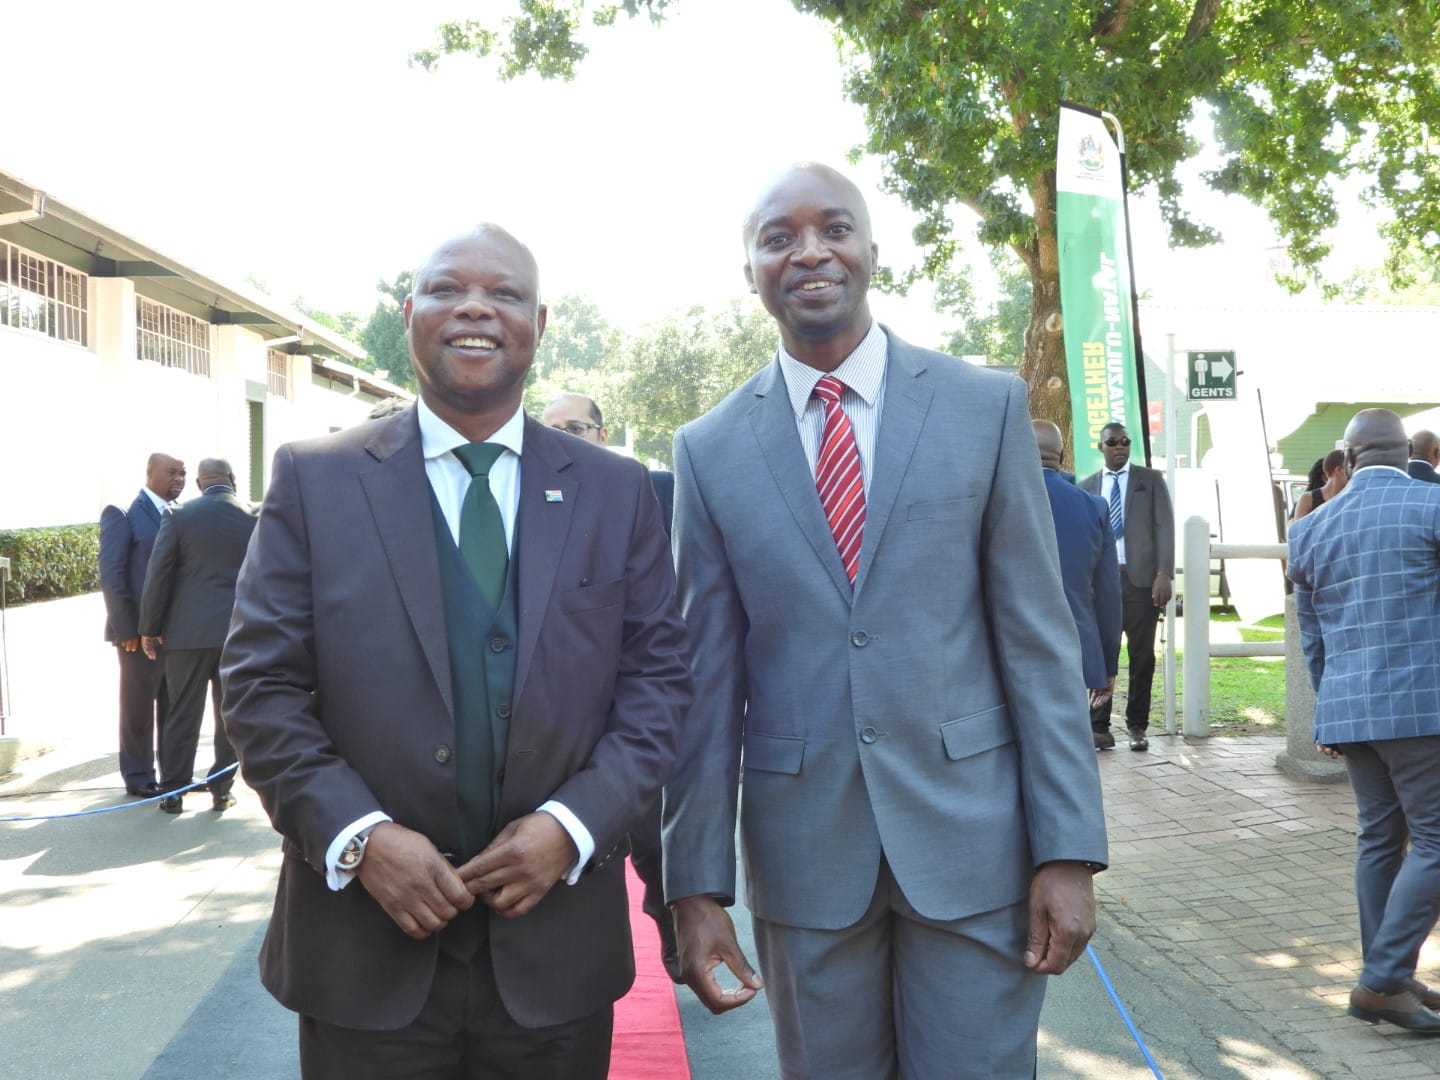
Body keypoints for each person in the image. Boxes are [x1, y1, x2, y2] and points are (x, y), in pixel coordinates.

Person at [662, 163, 1107, 1078]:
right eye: (778, 238)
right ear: (750, 272)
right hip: (805, 861)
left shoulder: (983, 407)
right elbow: (704, 683)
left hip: (975, 847)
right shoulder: (708, 451)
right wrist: (695, 886)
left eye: (834, 228)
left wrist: (1070, 849)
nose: (809, 252)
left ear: (872, 249)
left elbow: (1038, 643)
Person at [222, 224, 690, 1079]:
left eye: (505, 293)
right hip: (365, 959)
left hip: (556, 957)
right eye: (447, 289)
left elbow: (658, 684)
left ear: (539, 325)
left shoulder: (615, 490)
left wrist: (572, 825)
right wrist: (360, 838)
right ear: (409, 316)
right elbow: (260, 688)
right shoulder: (315, 479)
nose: (476, 307)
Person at [1288, 408, 1440, 1034]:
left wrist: (1329, 713)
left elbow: (1313, 636)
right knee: (1435, 841)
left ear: (1347, 460)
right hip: (1422, 707)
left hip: (1351, 710)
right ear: (1408, 455)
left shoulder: (1309, 528)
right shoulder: (1432, 506)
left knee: (1380, 839)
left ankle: (1390, 976)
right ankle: (1380, 981)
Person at [540, 390, 680, 978]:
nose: (562, 437)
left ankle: (673, 927)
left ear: (602, 433)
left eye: (575, 427)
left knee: (653, 837)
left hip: (646, 703)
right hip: (564, 717)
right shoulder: (524, 498)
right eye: (550, 427)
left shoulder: (651, 489)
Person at [138, 459, 255, 813]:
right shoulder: (254, 516)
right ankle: (222, 790)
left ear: (200, 484)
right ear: (232, 479)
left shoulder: (178, 516)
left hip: (186, 635)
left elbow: (159, 574)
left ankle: (173, 792)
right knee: (229, 714)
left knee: (181, 713)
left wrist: (149, 629)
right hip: (239, 632)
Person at [1080, 423, 1174, 752]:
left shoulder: (1150, 480)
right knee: (1102, 654)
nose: (1120, 447)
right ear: (1101, 447)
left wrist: (1164, 573)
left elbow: (1165, 527)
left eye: (1125, 442)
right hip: (1101, 584)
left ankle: (1137, 726)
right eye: (1113, 442)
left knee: (1142, 655)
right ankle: (1099, 726)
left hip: (1141, 582)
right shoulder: (1087, 487)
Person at [98, 453, 185, 797]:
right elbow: (112, 574)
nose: (179, 479)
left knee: (173, 706)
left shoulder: (181, 514)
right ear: (150, 474)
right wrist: (127, 630)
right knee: (138, 707)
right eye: (171, 472)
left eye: (183, 473)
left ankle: (172, 775)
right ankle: (138, 776)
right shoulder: (122, 514)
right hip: (135, 634)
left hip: (175, 631)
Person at [1033, 421, 1123, 750]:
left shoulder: (1000, 500)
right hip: (1074, 649)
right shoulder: (1093, 507)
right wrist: (1107, 665)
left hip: (1009, 650)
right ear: (1061, 456)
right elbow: (1109, 596)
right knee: (1067, 749)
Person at [1293, 449, 1349, 520]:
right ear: (1339, 470)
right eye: (1350, 469)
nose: (1353, 474)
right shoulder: (1308, 500)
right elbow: (1299, 526)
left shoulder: (1349, 499)